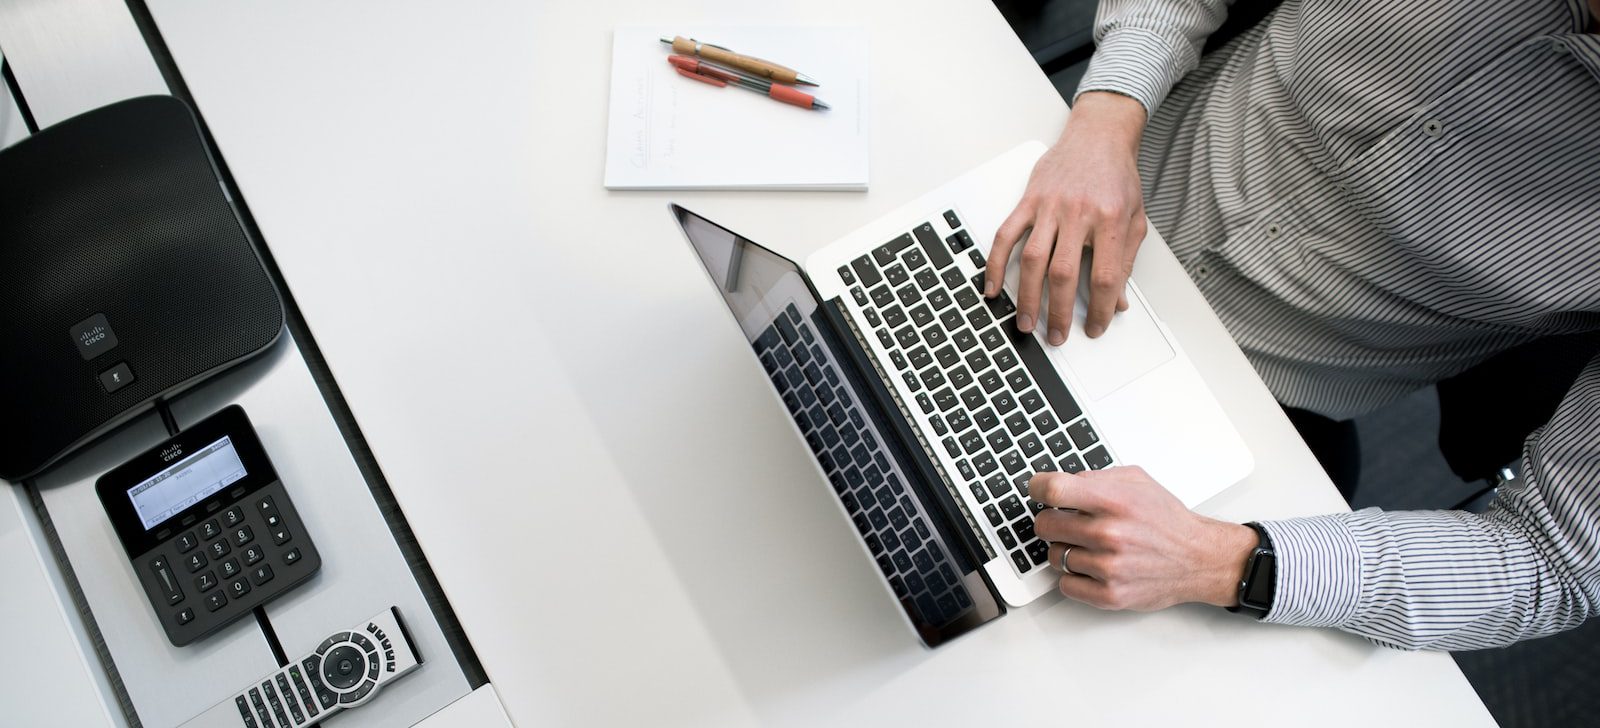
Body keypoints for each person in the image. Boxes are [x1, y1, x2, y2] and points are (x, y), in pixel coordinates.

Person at [993, 0, 1600, 650]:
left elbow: (1550, 558)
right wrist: (1108, 117)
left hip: (1250, 404)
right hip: (1073, 175)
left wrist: (1221, 561)